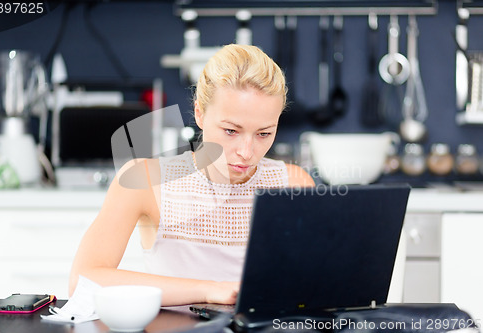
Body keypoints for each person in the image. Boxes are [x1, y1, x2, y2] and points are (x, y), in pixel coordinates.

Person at [69, 44, 315, 306]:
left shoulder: (294, 184)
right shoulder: (144, 180)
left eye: (264, 133)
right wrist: (210, 290)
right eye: (231, 131)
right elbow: (83, 280)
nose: (246, 152)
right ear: (199, 113)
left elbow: (320, 281)